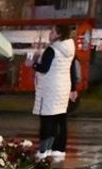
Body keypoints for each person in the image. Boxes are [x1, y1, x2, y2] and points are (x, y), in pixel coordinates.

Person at [32, 24, 79, 159]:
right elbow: (71, 68)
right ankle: (59, 149)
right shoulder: (69, 48)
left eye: (52, 31)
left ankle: (44, 150)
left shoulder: (52, 50)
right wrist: (73, 88)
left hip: (50, 88)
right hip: (63, 87)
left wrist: (34, 64)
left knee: (47, 119)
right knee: (60, 119)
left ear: (59, 34)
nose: (50, 33)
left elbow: (44, 68)